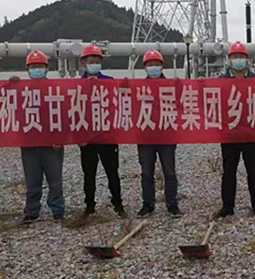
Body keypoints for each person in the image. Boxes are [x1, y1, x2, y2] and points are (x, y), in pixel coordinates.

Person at [216, 42, 255, 218]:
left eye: (241, 57)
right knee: (229, 172)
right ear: (229, 59)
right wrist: (201, 84)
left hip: (252, 133)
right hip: (230, 133)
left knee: (254, 171)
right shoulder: (220, 82)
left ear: (247, 59)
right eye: (235, 57)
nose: (238, 60)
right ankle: (227, 207)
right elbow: (208, 101)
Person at [78, 44, 126, 218]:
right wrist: (78, 137)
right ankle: (89, 206)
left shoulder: (109, 81)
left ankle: (118, 204)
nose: (94, 64)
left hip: (107, 136)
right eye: (91, 61)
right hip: (87, 138)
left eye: (97, 61)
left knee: (112, 172)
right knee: (89, 174)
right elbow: (73, 112)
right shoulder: (76, 85)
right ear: (84, 62)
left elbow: (120, 104)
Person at [20, 50, 65, 223]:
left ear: (46, 68)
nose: (36, 69)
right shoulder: (20, 90)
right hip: (29, 143)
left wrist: (60, 138)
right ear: (27, 69)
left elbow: (64, 115)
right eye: (33, 66)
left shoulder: (56, 89)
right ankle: (32, 211)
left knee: (55, 180)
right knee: (32, 180)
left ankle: (58, 210)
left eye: (39, 66)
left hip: (52, 143)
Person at [137, 49, 181, 217]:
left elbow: (184, 103)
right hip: (145, 137)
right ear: (145, 67)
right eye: (150, 64)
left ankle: (172, 203)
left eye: (156, 64)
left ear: (162, 66)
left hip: (166, 136)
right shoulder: (138, 87)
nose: (153, 67)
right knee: (146, 173)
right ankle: (148, 203)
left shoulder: (171, 86)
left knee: (169, 171)